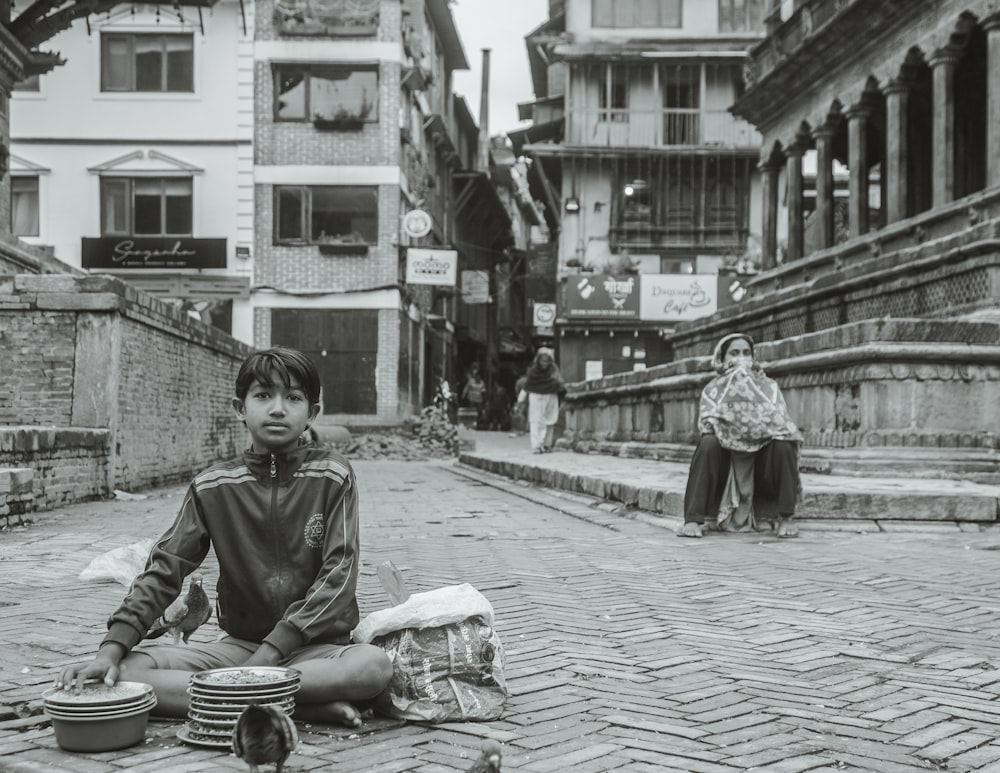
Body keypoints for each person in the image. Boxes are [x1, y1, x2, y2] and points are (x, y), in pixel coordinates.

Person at [55, 346, 393, 727]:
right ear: (240, 408)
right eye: (263, 395)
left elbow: (338, 574)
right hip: (239, 650)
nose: (278, 408)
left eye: (293, 397)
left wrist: (270, 656)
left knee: (372, 667)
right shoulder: (212, 485)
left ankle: (239, 700)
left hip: (316, 651)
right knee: (129, 672)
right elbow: (166, 566)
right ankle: (299, 705)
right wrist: (112, 647)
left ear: (311, 413)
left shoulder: (333, 475)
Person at [679, 333, 802, 539]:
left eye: (746, 353)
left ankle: (786, 518)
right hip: (727, 467)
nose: (741, 358)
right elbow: (708, 424)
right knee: (708, 443)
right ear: (722, 359)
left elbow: (781, 423)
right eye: (734, 353)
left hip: (760, 467)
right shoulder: (713, 390)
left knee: (784, 443)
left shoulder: (769, 388)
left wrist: (754, 427)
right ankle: (693, 519)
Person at [516, 347, 565, 453]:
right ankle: (536, 446)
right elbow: (528, 385)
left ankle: (547, 444)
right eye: (543, 360)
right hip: (536, 397)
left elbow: (559, 383)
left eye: (547, 361)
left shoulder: (554, 370)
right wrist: (520, 400)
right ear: (538, 360)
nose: (545, 363)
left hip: (551, 396)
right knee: (536, 421)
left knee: (550, 420)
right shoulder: (533, 372)